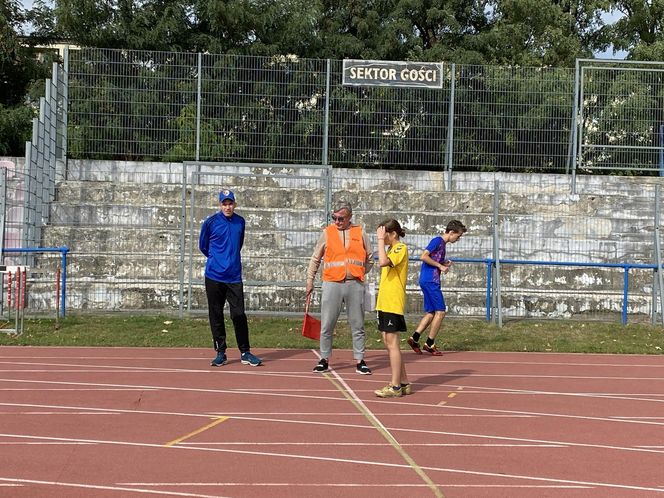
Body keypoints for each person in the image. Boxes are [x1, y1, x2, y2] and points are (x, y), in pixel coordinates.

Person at [306, 201, 374, 374]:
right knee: (327, 324)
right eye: (334, 218)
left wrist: (358, 272)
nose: (337, 221)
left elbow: (370, 258)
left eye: (341, 218)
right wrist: (310, 280)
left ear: (350, 217)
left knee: (358, 324)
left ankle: (360, 360)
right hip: (332, 283)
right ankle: (324, 358)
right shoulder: (327, 233)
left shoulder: (360, 232)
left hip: (355, 284)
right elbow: (315, 258)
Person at [199, 189, 262, 367]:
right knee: (216, 314)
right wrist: (216, 260)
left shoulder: (240, 222)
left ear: (234, 204)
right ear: (220, 205)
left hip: (234, 276)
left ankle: (245, 352)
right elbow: (203, 246)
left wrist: (230, 259)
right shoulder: (210, 222)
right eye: (224, 203)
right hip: (214, 276)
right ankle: (221, 351)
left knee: (239, 314)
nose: (227, 206)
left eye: (230, 203)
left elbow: (238, 243)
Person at [407, 220, 467, 356]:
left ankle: (414, 338)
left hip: (428, 280)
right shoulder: (437, 241)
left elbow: (433, 260)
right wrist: (440, 266)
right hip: (430, 281)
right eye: (458, 236)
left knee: (431, 312)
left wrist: (443, 263)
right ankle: (430, 343)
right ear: (451, 232)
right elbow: (424, 256)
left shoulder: (442, 244)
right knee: (441, 311)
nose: (458, 239)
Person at [374, 219, 411, 398]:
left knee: (392, 342)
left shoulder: (399, 248)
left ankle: (395, 386)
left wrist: (381, 241)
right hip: (384, 302)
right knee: (387, 342)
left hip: (393, 302)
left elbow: (382, 262)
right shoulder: (390, 249)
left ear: (393, 234)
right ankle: (403, 381)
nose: (382, 238)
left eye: (384, 234)